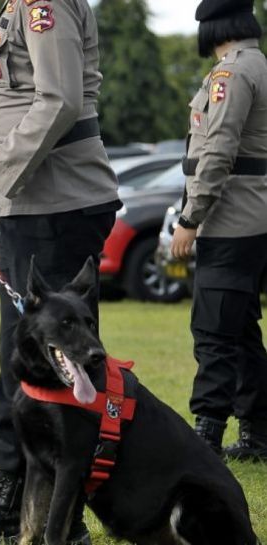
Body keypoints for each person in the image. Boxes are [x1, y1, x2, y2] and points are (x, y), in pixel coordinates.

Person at [0, 0, 120, 542]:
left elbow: (58, 103)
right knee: (25, 358)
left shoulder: (45, 4)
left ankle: (61, 519)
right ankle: (16, 505)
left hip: (58, 203)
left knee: (56, 364)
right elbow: (12, 106)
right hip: (37, 203)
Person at [171, 0, 267, 462]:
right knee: (242, 330)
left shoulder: (232, 73)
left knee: (213, 330)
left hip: (230, 220)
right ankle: (257, 432)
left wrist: (191, 217)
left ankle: (205, 438)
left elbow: (218, 152)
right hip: (256, 218)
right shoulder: (260, 65)